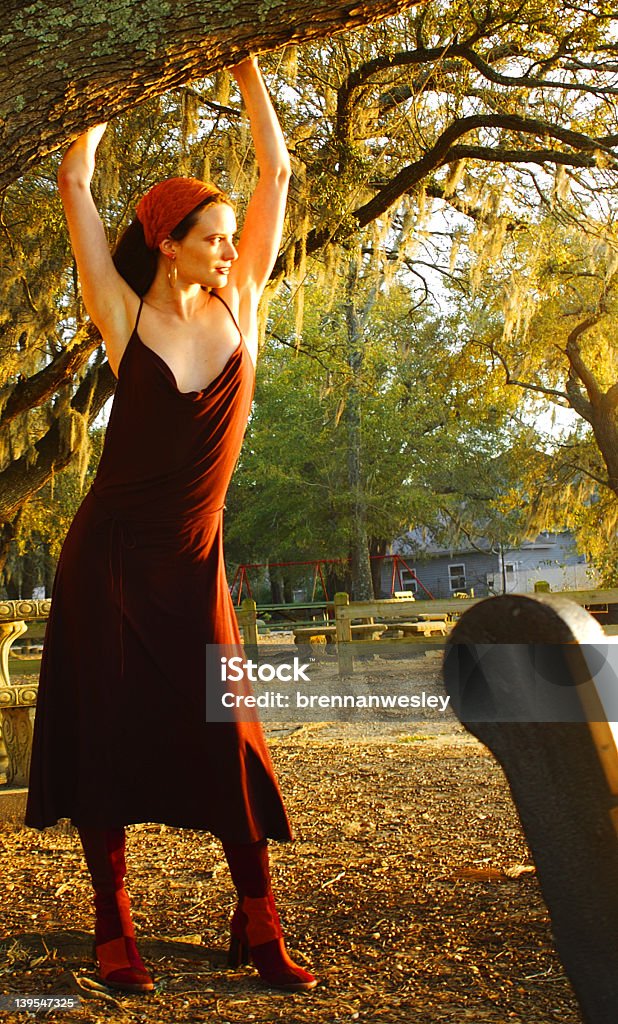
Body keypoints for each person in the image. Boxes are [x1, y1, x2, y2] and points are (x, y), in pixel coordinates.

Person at [25, 57, 316, 995]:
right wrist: (101, 98)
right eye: (216, 238)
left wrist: (245, 65)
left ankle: (258, 920)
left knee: (225, 730)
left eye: (234, 239)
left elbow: (276, 174)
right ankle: (114, 926)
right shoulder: (121, 312)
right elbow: (74, 180)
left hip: (195, 567)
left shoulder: (245, 306)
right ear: (170, 242)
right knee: (106, 731)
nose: (233, 250)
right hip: (109, 561)